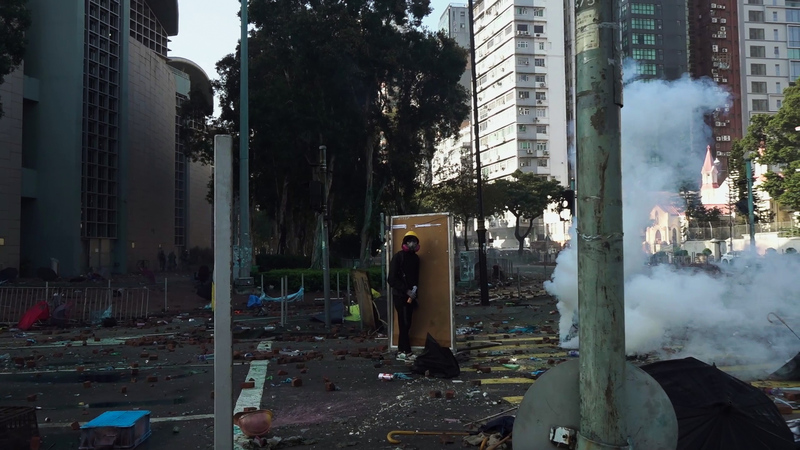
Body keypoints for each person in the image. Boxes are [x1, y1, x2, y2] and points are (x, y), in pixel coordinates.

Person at [387, 230, 421, 361]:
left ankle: (402, 350)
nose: (412, 244)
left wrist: (414, 292)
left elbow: (416, 278)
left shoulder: (416, 259)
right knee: (404, 322)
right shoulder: (398, 257)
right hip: (399, 296)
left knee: (407, 323)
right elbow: (391, 279)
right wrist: (405, 290)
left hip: (411, 296)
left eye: (414, 241)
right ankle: (406, 351)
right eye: (409, 241)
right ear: (405, 243)